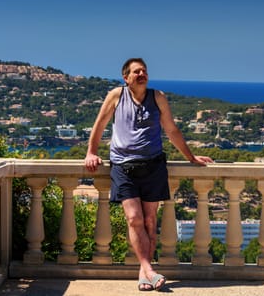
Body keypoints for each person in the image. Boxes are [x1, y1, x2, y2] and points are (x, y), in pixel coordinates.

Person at [84, 58, 213, 291]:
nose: (142, 74)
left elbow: (171, 129)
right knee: (134, 219)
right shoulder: (116, 95)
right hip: (123, 167)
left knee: (150, 221)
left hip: (153, 165)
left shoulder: (158, 97)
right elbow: (100, 124)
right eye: (136, 71)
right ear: (126, 77)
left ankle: (144, 274)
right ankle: (149, 267)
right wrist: (91, 152)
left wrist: (191, 157)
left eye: (144, 70)